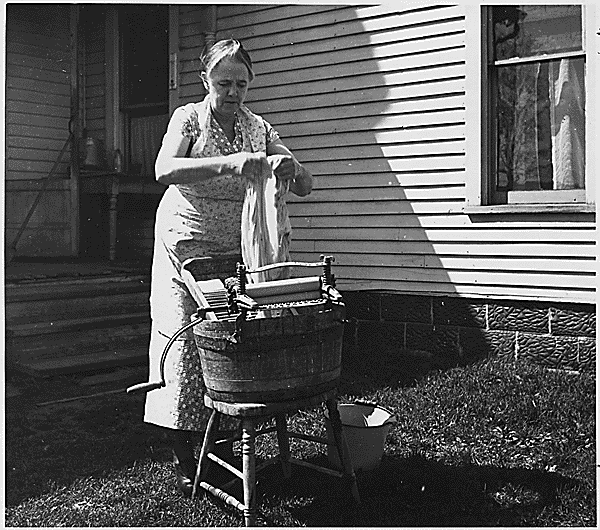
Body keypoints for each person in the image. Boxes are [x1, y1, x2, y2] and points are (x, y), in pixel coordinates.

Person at [144, 39, 313, 496]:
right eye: (224, 83)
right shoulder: (189, 118)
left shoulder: (258, 127)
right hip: (187, 239)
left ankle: (230, 436)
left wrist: (288, 166)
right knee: (185, 337)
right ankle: (186, 456)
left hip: (240, 245)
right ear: (206, 82)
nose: (233, 92)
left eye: (241, 83)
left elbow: (306, 186)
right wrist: (231, 163)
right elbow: (163, 169)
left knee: (231, 337)